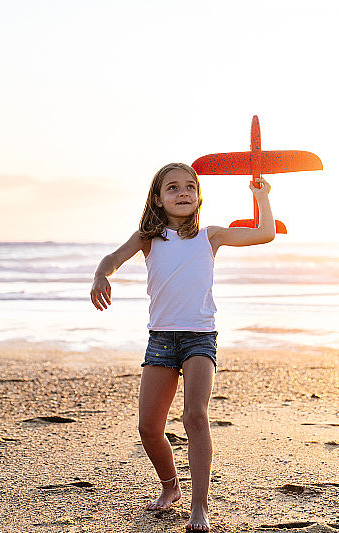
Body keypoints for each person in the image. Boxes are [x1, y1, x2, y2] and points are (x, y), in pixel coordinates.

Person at [90, 162, 276, 532]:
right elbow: (113, 259)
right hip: (160, 338)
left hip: (199, 337)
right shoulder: (148, 238)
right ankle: (170, 486)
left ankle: (199, 508)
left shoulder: (211, 236)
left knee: (195, 417)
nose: (183, 193)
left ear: (198, 196)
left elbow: (264, 233)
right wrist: (100, 274)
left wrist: (261, 196)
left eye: (190, 187)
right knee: (148, 428)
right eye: (172, 188)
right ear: (157, 199)